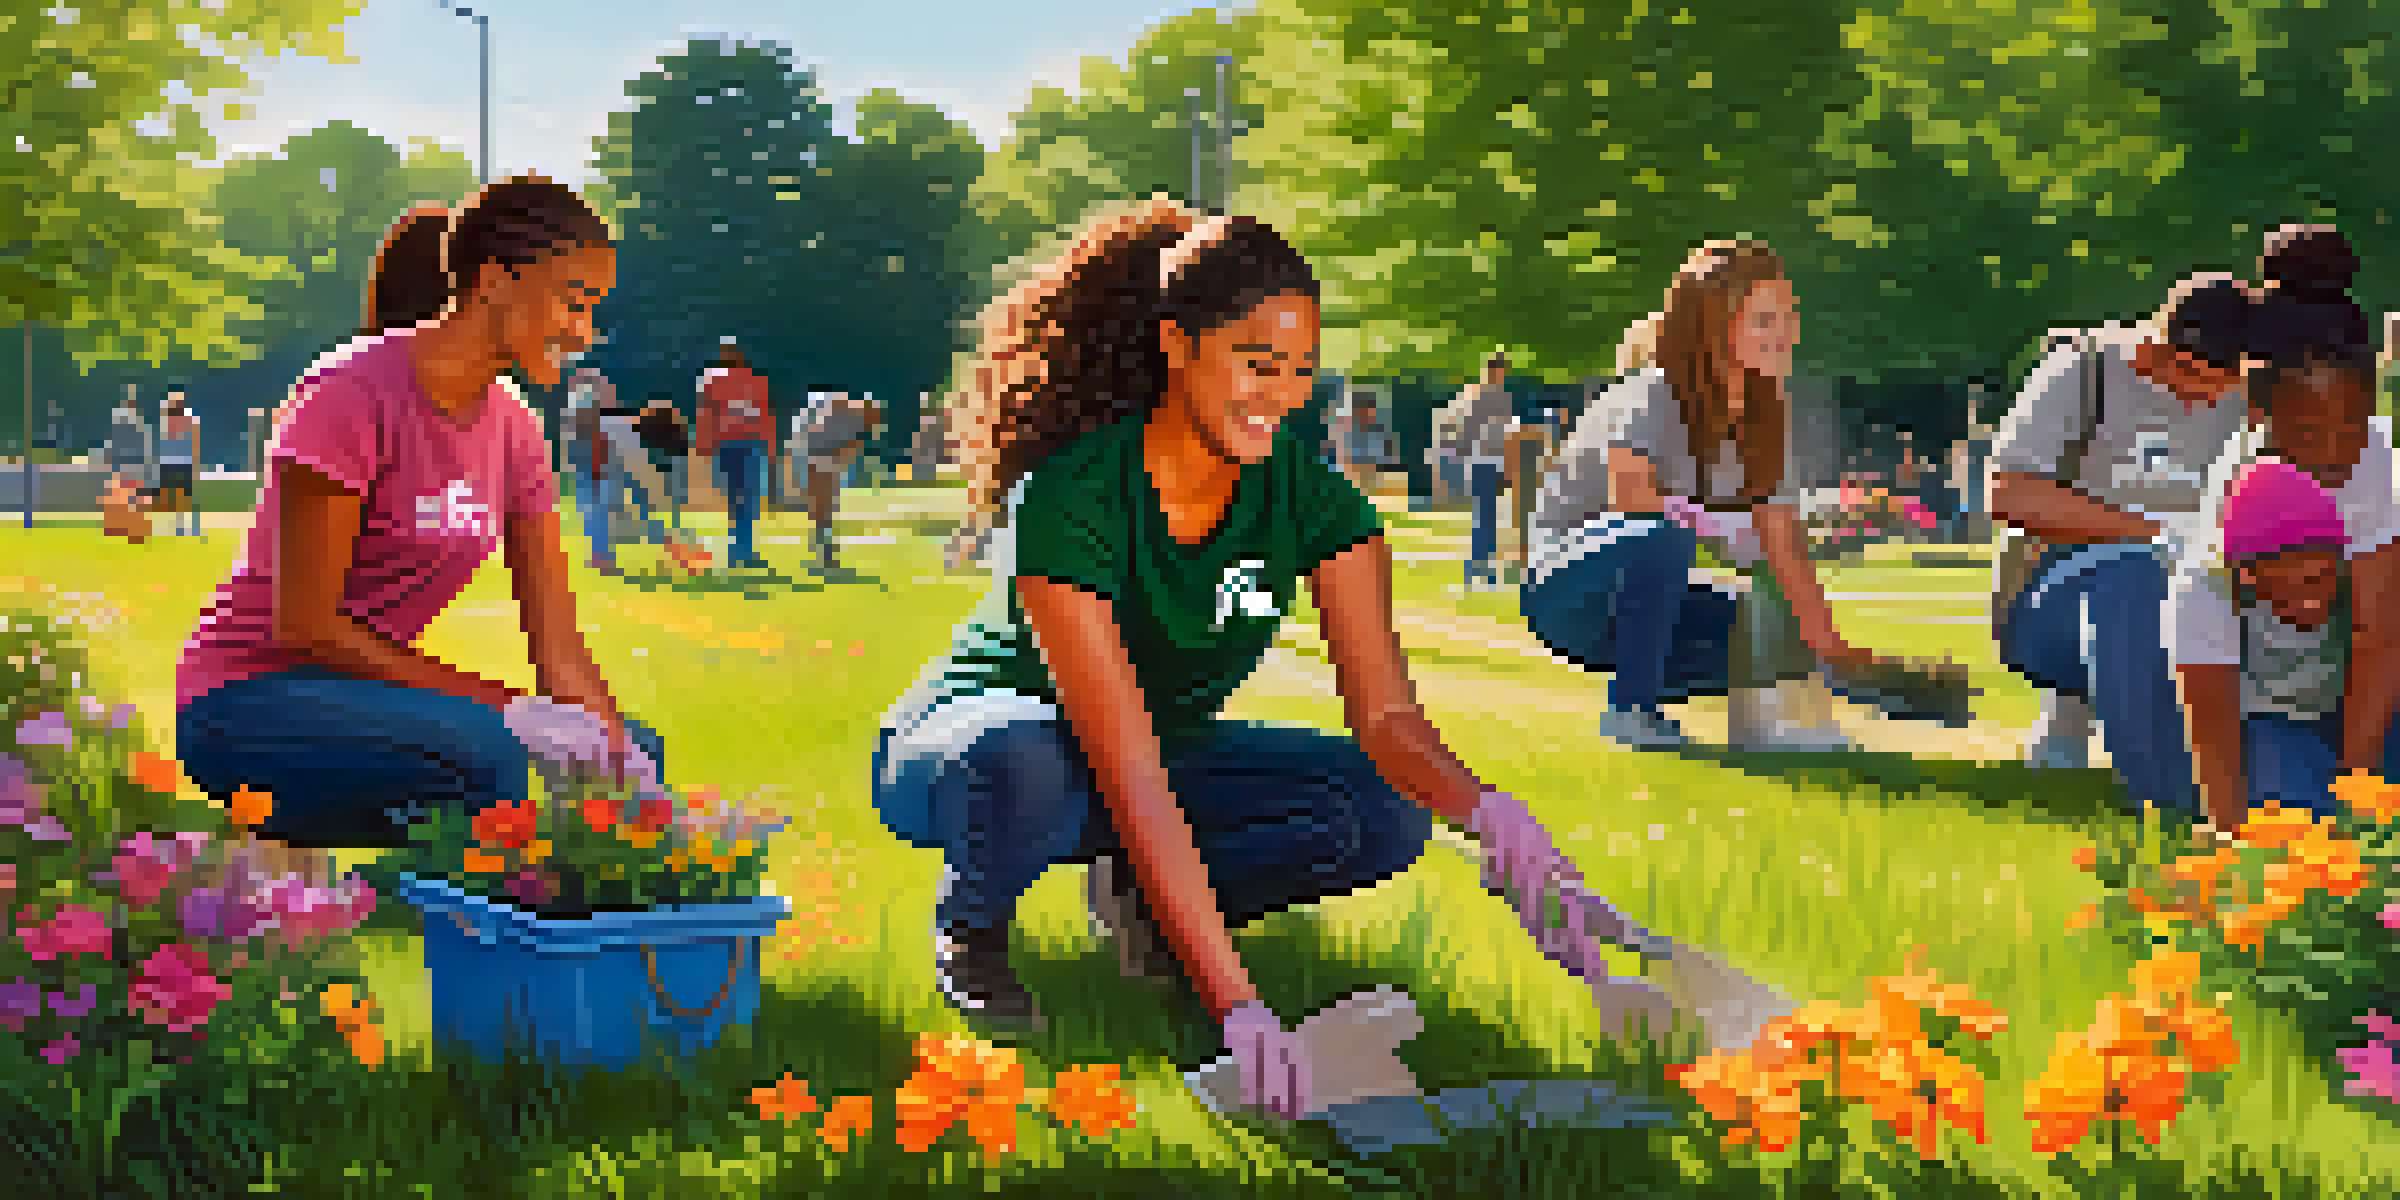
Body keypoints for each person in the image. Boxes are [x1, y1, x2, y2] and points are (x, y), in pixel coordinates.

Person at [871, 199, 1646, 1117]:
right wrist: (1237, 1004)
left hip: (1152, 752)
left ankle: (1149, 914)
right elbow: (1124, 765)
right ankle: (974, 929)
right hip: (977, 751)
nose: (1280, 394)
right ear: (1177, 346)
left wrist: (1489, 813)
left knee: (1384, 810)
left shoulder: (1318, 508)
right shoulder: (1072, 497)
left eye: (1301, 371)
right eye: (1256, 362)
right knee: (1027, 758)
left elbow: (1388, 719)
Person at [172, 180, 668, 883]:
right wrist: (509, 709)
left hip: (366, 709)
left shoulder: (517, 429)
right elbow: (306, 627)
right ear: (494, 281)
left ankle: (585, 943)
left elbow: (559, 653)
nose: (583, 333)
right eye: (573, 301)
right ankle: (465, 931)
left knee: (616, 759)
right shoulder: (350, 393)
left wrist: (620, 754)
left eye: (593, 311)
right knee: (492, 756)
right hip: (242, 705)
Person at [1524, 239, 1882, 753]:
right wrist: (1717, 526)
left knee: (1773, 624)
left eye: (1789, 316)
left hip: (1646, 592)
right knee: (1661, 533)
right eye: (1764, 320)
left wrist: (1834, 655)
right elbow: (1631, 498)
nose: (1785, 333)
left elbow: (1783, 546)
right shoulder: (1655, 391)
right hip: (1568, 589)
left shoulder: (1763, 414)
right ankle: (1631, 711)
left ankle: (1775, 729)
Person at [1985, 274, 2252, 817]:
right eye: (2184, 372)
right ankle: (2173, 806)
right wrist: (2155, 532)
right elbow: (2007, 493)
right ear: (2156, 335)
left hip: (2209, 593)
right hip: (2061, 596)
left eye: (2215, 383)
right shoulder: (2084, 373)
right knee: (2135, 577)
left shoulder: (2249, 399)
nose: (2197, 394)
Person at [2172, 352, 2400, 829]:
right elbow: (2213, 734)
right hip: (2274, 719)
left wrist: (2357, 795)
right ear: (2249, 576)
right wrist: (2229, 837)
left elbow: (2379, 642)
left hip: (2361, 706)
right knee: (2289, 827)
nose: (2316, 599)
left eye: (2325, 578)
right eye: (2296, 586)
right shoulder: (2206, 589)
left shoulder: (2367, 533)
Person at [1437, 350, 1520, 587]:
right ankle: (1479, 563)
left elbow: (1506, 431)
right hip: (1480, 461)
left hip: (1496, 461)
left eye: (1503, 372)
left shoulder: (1504, 397)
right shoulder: (1479, 396)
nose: (1500, 376)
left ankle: (1483, 563)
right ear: (1490, 371)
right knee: (1485, 514)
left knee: (1490, 515)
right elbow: (1468, 430)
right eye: (1497, 371)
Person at [695, 339, 776, 570]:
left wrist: (770, 447)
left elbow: (765, 415)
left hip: (749, 444)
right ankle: (739, 552)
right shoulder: (714, 378)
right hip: (728, 444)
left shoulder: (756, 381)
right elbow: (706, 412)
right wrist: (704, 445)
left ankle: (744, 551)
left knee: (746, 499)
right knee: (738, 498)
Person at [786, 388, 878, 572]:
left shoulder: (849, 417)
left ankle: (825, 554)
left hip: (818, 459)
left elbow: (848, 449)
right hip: (812, 457)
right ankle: (825, 555)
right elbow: (810, 442)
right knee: (821, 511)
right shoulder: (832, 412)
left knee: (824, 511)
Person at [564, 367, 623, 574]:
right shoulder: (590, 408)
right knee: (597, 509)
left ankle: (599, 555)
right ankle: (601, 556)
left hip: (591, 460)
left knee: (593, 509)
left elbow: (570, 438)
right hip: (593, 461)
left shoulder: (577, 406)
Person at [156, 391, 201, 537]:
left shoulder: (189, 419)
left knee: (185, 498)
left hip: (183, 463)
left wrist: (195, 464)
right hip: (169, 464)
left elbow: (195, 443)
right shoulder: (166, 419)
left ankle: (190, 528)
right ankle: (170, 528)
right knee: (168, 498)